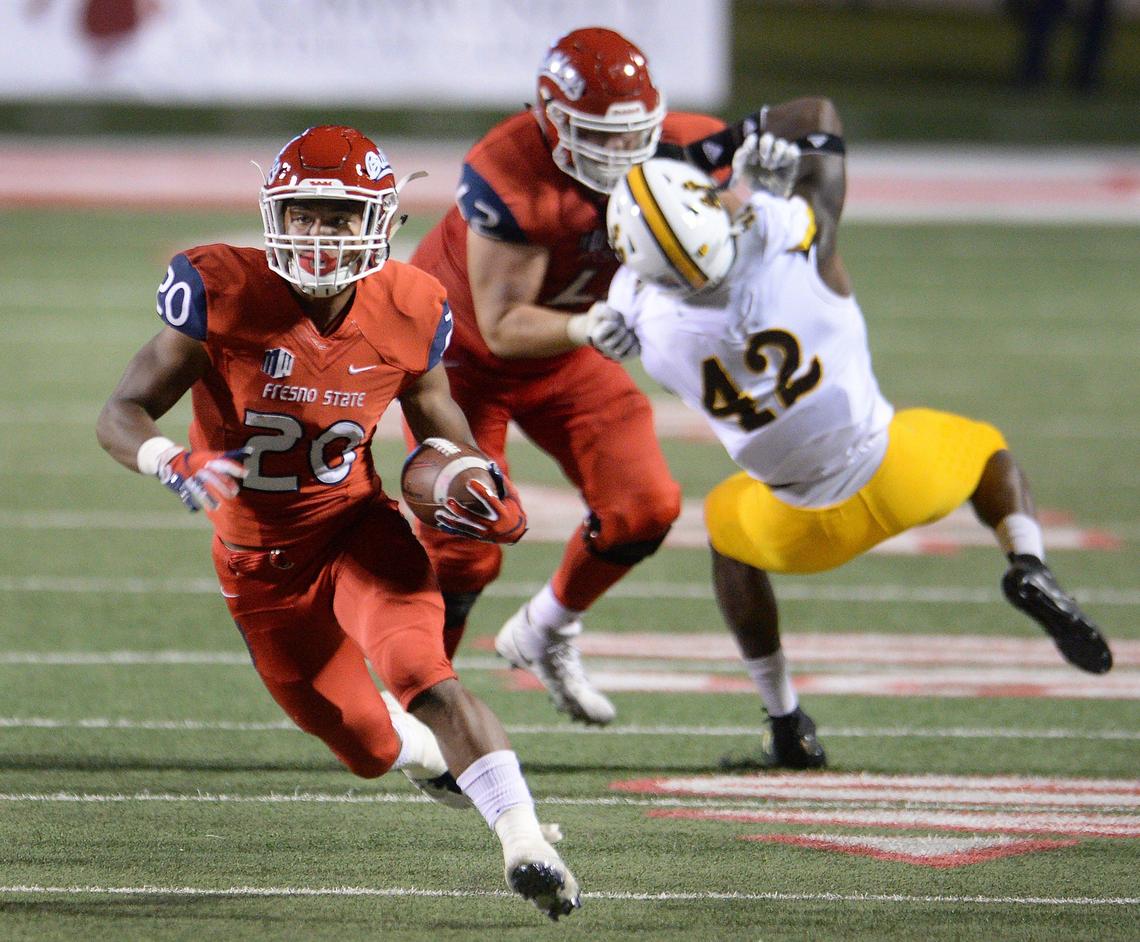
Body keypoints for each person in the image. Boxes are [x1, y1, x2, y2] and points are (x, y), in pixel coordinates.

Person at [95, 125, 580, 920]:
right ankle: (426, 757)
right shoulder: (223, 290)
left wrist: (472, 474)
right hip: (257, 567)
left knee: (428, 674)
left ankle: (526, 844)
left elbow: (437, 420)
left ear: (379, 225)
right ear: (274, 216)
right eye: (304, 216)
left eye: (339, 218)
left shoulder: (410, 304)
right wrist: (164, 459)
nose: (319, 237)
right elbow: (123, 408)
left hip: (359, 531)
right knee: (369, 748)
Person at [597, 108, 1115, 769]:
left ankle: (786, 722)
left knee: (727, 529)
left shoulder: (655, 334)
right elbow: (818, 126)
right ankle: (1028, 562)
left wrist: (613, 318)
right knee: (985, 447)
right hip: (901, 474)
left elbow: (635, 294)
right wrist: (754, 172)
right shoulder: (789, 238)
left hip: (797, 527)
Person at [409, 25, 788, 727]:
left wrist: (770, 186)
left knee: (644, 506)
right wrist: (589, 326)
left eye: (631, 136)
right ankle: (419, 706)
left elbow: (803, 140)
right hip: (459, 361)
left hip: (568, 348)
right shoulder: (508, 168)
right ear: (550, 117)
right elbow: (500, 325)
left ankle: (548, 631)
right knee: (463, 552)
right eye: (597, 136)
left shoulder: (683, 144)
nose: (619, 155)